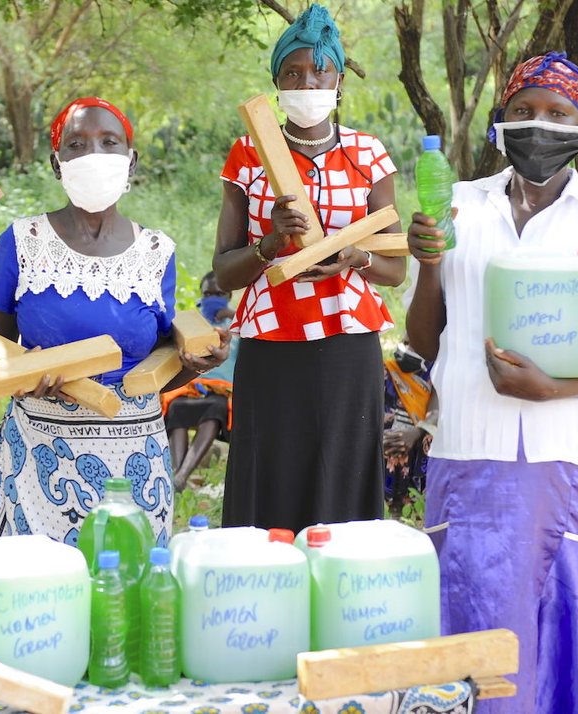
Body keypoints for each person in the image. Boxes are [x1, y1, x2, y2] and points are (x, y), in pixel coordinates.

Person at [405, 53, 578, 713]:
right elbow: (426, 341)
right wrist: (430, 263)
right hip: (467, 451)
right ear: (500, 122)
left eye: (557, 114)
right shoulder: (456, 203)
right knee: (466, 613)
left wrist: (555, 389)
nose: (538, 125)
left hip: (567, 459)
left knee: (559, 617)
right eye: (523, 112)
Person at [0, 97, 229, 547]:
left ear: (131, 160)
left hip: (134, 469)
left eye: (108, 142)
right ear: (58, 164)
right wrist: (24, 373)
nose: (94, 155)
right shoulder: (22, 242)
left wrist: (201, 361)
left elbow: (156, 370)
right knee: (38, 601)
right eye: (77, 144)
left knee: (125, 603)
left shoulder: (157, 253)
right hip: (36, 460)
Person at [212, 4, 404, 533]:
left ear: (338, 79)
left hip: (348, 344)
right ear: (276, 82)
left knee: (342, 472)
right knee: (270, 471)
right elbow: (224, 272)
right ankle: (269, 590)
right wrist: (270, 242)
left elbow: (393, 269)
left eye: (319, 71)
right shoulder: (249, 154)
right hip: (272, 344)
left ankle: (340, 596)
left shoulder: (369, 155)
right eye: (292, 73)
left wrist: (355, 258)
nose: (307, 82)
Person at [163, 272, 238, 490]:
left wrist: (233, 318)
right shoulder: (192, 322)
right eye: (208, 293)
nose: (213, 297)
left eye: (219, 293)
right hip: (191, 386)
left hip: (222, 391)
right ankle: (178, 473)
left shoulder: (237, 323)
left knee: (215, 408)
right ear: (201, 295)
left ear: (229, 294)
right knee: (176, 406)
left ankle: (182, 475)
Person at [382, 340, 435, 515]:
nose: (407, 349)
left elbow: (439, 412)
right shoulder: (387, 372)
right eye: (406, 342)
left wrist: (416, 433)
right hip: (388, 450)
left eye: (414, 344)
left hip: (418, 450)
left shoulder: (435, 374)